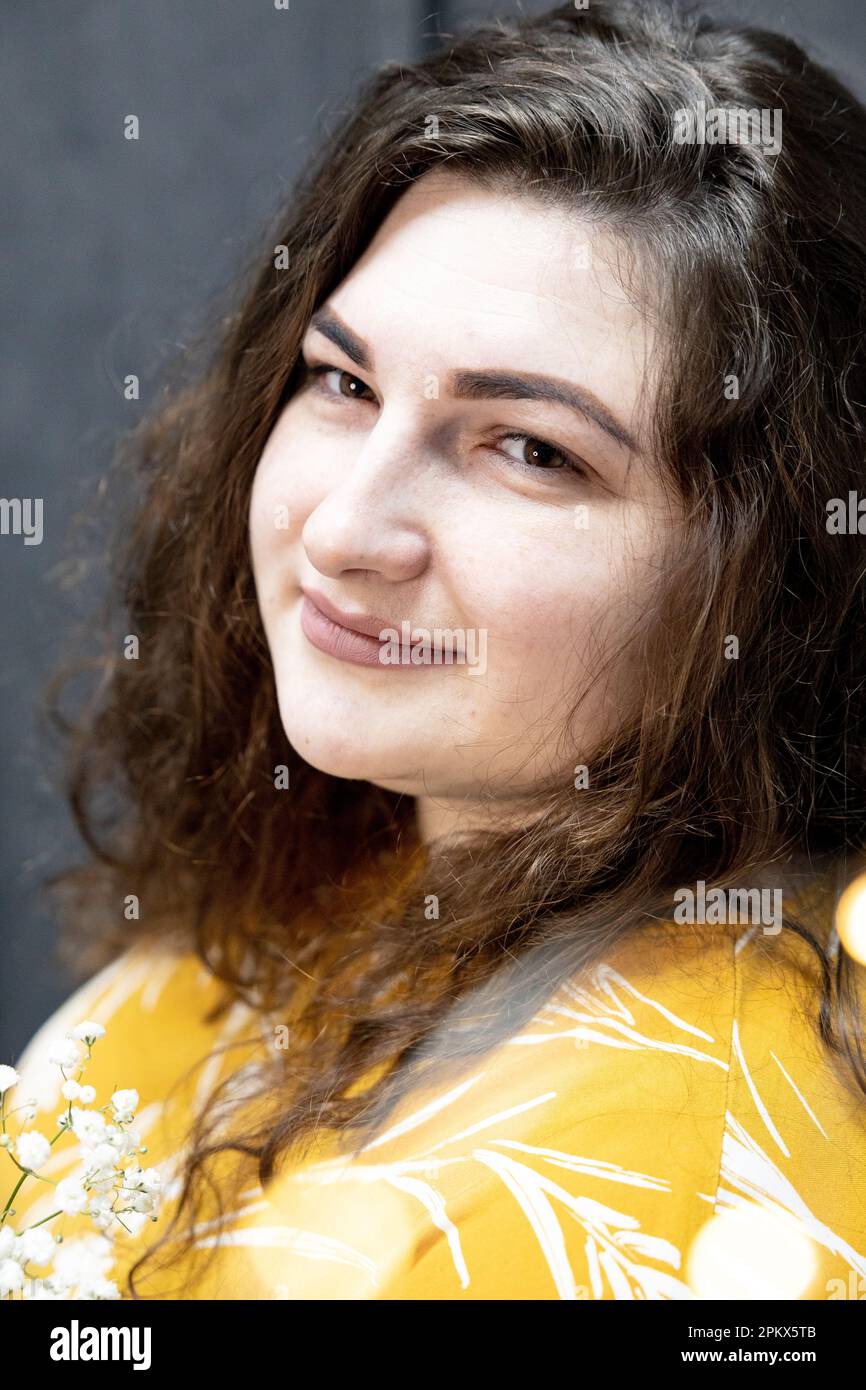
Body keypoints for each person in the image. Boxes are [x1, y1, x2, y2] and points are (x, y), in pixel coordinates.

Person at [3, 0, 866, 1300]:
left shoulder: (636, 1198)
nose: (345, 528)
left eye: (530, 449)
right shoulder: (357, 885)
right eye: (340, 384)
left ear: (779, 573)